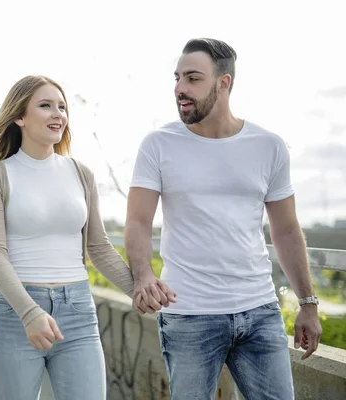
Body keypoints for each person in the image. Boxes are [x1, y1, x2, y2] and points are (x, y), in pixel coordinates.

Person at [124, 38, 322, 400]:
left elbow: (287, 229)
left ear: (224, 82)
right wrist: (143, 275)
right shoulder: (158, 144)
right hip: (189, 314)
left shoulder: (268, 146)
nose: (180, 89)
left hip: (260, 310)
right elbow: (137, 220)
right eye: (177, 78)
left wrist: (307, 303)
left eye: (193, 78)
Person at [0, 75, 138, 400]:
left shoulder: (80, 173)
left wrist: (138, 290)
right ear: (19, 116)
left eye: (62, 107)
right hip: (16, 315)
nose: (58, 114)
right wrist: (29, 312)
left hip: (77, 311)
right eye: (45, 106)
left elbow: (98, 247)